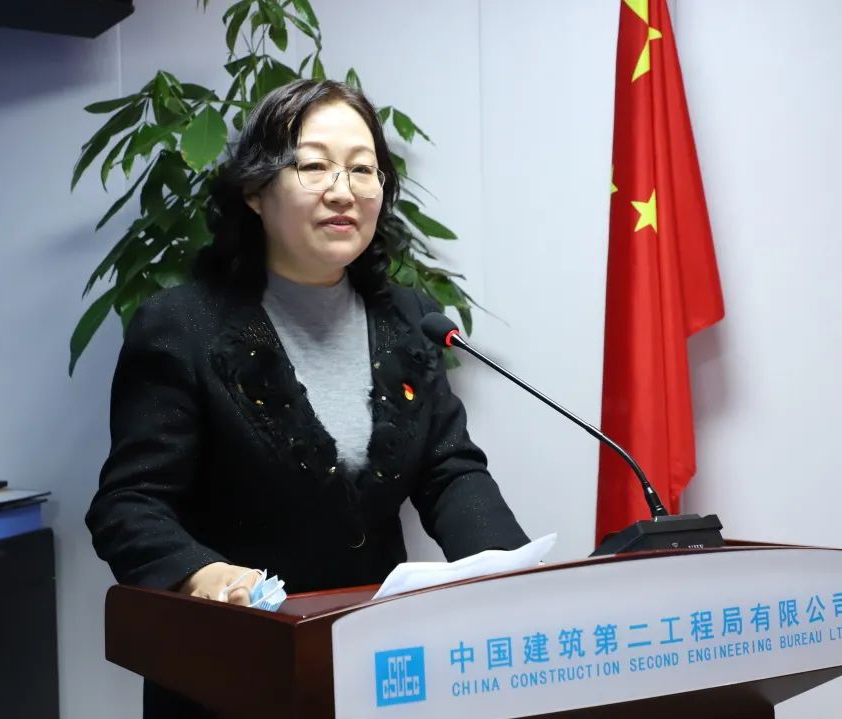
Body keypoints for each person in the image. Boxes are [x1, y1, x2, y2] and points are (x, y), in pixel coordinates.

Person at [85, 78, 529, 718]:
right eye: (314, 166)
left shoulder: (409, 318)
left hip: (382, 667)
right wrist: (204, 574)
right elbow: (130, 504)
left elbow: (448, 468)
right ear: (255, 191)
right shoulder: (183, 325)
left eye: (363, 169)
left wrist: (509, 573)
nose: (343, 191)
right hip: (234, 671)